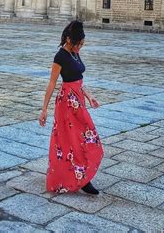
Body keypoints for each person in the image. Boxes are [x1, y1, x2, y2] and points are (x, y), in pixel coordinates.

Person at [39, 20, 104, 195]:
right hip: (67, 105)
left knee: (85, 138)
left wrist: (89, 96)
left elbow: (78, 79)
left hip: (78, 101)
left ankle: (82, 176)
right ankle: (81, 179)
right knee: (74, 140)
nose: (80, 47)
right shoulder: (60, 56)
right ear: (69, 40)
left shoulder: (75, 54)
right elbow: (52, 83)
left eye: (82, 44)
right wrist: (44, 110)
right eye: (78, 44)